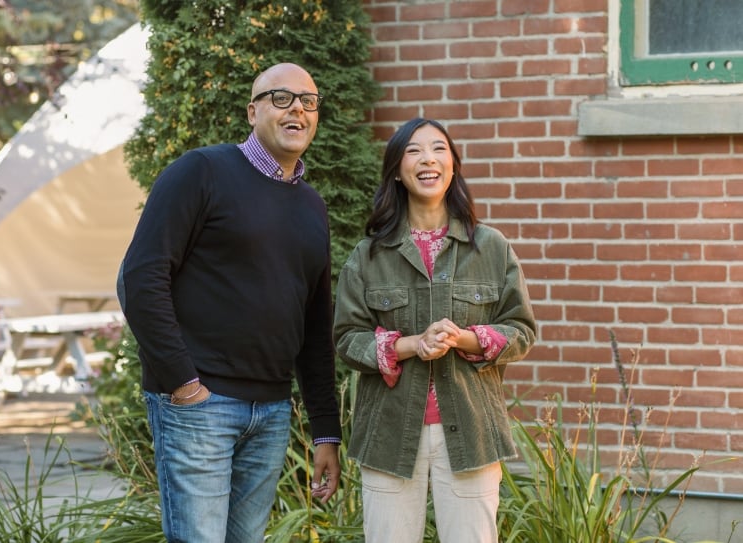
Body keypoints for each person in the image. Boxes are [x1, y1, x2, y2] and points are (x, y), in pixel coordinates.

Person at [117, 62, 341, 543]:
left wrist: (326, 431)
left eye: (308, 100)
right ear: (252, 111)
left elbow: (315, 322)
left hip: (271, 412)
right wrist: (182, 383)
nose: (297, 108)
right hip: (201, 405)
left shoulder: (312, 206)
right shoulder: (202, 171)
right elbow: (140, 277)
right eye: (281, 98)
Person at [333, 118, 536, 543]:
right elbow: (347, 339)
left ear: (453, 164)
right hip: (388, 435)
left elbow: (520, 329)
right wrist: (411, 345)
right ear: (396, 170)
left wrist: (464, 339)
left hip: (471, 432)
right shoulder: (368, 255)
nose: (428, 159)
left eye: (439, 148)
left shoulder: (492, 247)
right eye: (414, 151)